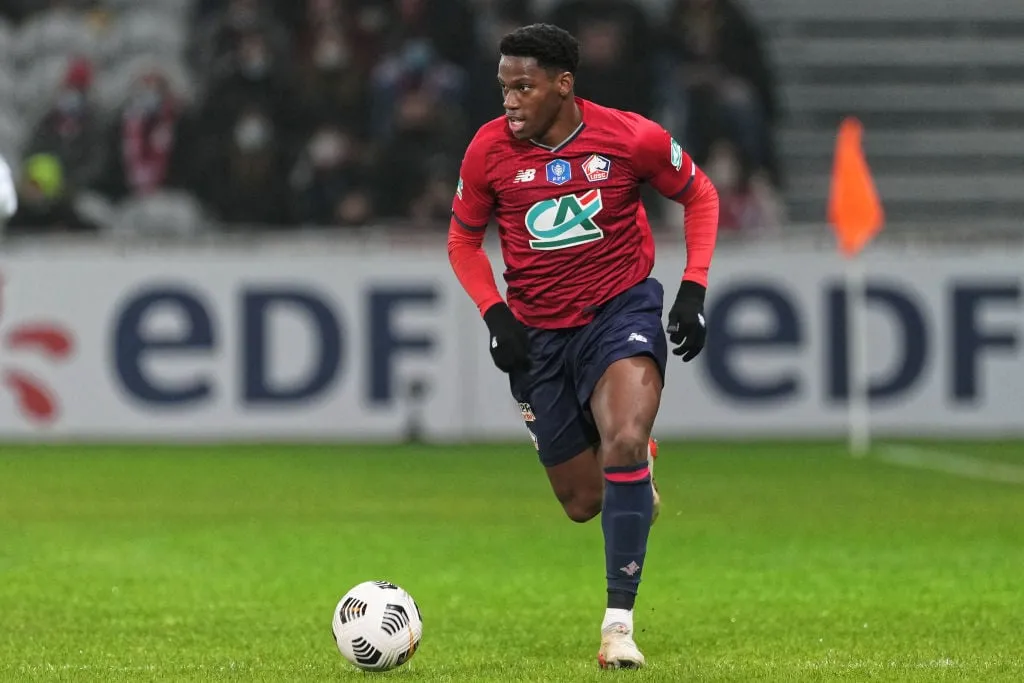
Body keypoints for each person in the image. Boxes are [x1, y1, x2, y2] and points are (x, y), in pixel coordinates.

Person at [446, 24, 719, 668]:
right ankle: (635, 476)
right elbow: (463, 241)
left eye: (524, 87)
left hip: (618, 311)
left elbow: (700, 194)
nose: (510, 100)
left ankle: (618, 626)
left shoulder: (629, 137)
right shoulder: (487, 151)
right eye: (504, 87)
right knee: (583, 501)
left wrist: (693, 288)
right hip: (539, 334)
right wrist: (495, 314)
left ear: (563, 84)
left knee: (623, 438)